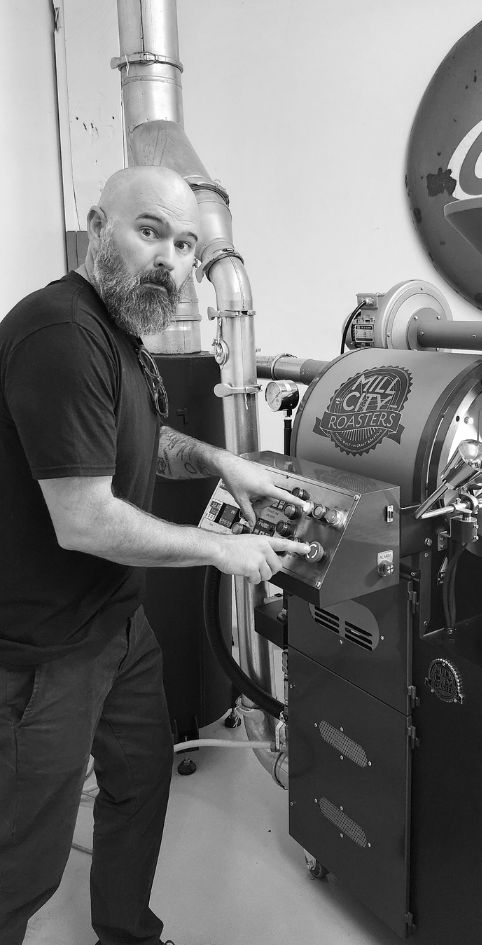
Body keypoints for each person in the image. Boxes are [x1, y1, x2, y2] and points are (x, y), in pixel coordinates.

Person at [0, 165, 307, 945]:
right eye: (150, 232)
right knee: (22, 862)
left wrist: (223, 463)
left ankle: (126, 933)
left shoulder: (123, 336)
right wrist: (220, 550)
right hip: (44, 651)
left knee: (140, 781)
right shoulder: (62, 333)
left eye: (185, 244)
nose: (170, 258)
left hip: (115, 624)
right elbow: (86, 519)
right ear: (98, 227)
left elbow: (149, 445)